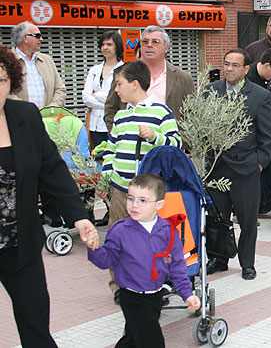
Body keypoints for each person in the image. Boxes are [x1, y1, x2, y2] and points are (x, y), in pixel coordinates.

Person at [0, 44, 97, 348]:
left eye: (1, 80)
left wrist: (80, 216)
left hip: (21, 242)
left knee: (35, 324)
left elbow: (52, 169)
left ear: (11, 81)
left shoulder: (26, 116)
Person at [100, 60, 182, 301]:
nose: (116, 90)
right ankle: (119, 287)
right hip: (119, 189)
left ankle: (150, 283)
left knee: (148, 241)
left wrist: (155, 136)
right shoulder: (121, 116)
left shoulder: (160, 112)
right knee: (116, 237)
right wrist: (106, 177)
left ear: (134, 84)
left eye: (119, 84)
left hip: (147, 194)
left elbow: (176, 145)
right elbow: (111, 149)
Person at [88, 173, 200, 347]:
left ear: (159, 204)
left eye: (142, 200)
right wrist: (93, 248)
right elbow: (105, 260)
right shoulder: (120, 230)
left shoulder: (168, 231)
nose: (134, 205)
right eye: (131, 198)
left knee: (133, 339)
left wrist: (187, 293)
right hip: (131, 297)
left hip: (156, 296)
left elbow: (177, 266)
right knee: (152, 341)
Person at [205, 48, 271, 280]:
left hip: (246, 169)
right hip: (217, 167)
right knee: (217, 218)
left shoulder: (259, 96)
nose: (229, 69)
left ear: (246, 69)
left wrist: (259, 164)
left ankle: (247, 263)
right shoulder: (210, 92)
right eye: (226, 64)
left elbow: (268, 137)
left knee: (247, 219)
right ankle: (218, 258)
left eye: (235, 65)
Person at [104, 25, 195, 131]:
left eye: (155, 42)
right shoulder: (123, 73)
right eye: (145, 42)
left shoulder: (182, 78)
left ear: (166, 47)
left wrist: (179, 141)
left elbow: (192, 114)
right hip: (131, 143)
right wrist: (118, 136)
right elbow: (110, 109)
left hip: (167, 144)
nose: (149, 45)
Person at [245, 48, 271, 216]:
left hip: (265, 130)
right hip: (252, 133)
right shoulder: (248, 78)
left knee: (269, 165)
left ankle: (265, 206)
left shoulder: (265, 78)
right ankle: (255, 207)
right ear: (267, 65)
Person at [82, 30, 125, 147]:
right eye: (103, 44)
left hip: (113, 125)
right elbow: (86, 98)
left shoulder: (124, 70)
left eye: (109, 44)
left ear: (117, 46)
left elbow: (121, 98)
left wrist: (97, 95)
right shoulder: (94, 70)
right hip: (95, 125)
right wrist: (108, 102)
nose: (105, 47)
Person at [10, 21, 66, 107]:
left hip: (48, 118)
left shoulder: (47, 60)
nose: (41, 39)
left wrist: (52, 108)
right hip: (19, 117)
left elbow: (60, 89)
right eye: (37, 36)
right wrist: (28, 110)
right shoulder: (7, 61)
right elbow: (5, 92)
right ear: (25, 38)